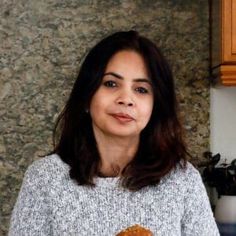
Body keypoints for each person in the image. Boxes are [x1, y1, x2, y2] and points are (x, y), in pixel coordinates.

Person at [8, 30, 220, 236]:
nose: (126, 99)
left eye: (141, 89)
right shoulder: (44, 179)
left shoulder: (182, 180)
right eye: (111, 84)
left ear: (155, 106)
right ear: (86, 95)